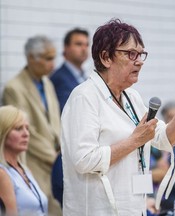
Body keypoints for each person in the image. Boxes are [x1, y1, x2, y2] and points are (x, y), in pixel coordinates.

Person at [60, 18, 175, 216]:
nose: (139, 61)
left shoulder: (131, 97)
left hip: (134, 207)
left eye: (141, 54)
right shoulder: (84, 97)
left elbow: (163, 139)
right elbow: (84, 160)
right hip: (96, 210)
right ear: (105, 57)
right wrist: (134, 141)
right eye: (130, 54)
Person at [2, 35, 62, 215]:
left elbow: (55, 122)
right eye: (48, 58)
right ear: (31, 58)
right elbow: (25, 130)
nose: (53, 63)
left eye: (54, 57)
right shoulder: (14, 87)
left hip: (56, 159)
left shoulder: (47, 83)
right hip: (34, 161)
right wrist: (55, 157)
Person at [0, 105, 48, 215]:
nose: (26, 134)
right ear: (3, 133)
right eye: (18, 128)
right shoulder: (2, 174)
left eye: (27, 128)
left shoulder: (25, 169)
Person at [50, 27, 89, 112]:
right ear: (66, 47)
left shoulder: (84, 76)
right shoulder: (59, 78)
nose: (84, 49)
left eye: (86, 45)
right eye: (79, 44)